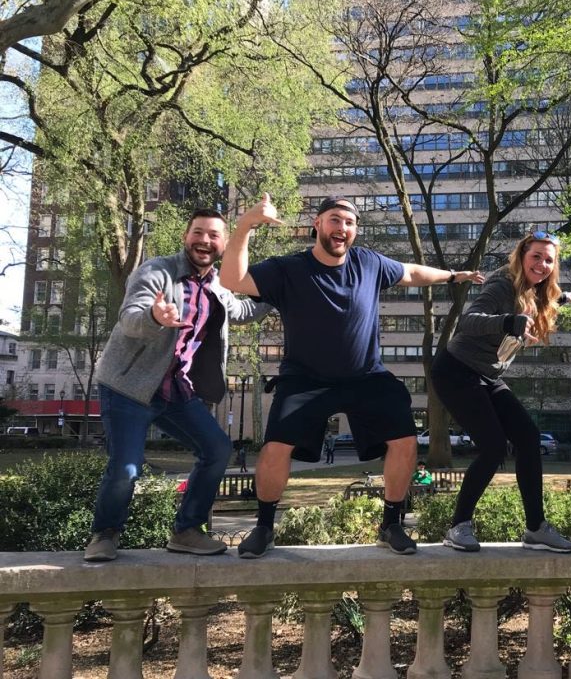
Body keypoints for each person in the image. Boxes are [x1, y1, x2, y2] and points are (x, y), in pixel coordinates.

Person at [220, 194, 483, 557]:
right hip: (305, 379)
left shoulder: (369, 263)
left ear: (355, 230)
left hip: (365, 377)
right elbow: (232, 279)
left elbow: (410, 272)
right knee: (275, 447)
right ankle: (264, 527)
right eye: (334, 219)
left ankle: (391, 523)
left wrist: (452, 275)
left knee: (405, 440)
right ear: (317, 224)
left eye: (349, 222)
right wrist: (246, 224)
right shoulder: (288, 269)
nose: (342, 227)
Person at [83, 207, 270, 562]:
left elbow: (242, 312)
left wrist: (278, 293)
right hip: (129, 387)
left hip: (174, 389)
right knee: (126, 467)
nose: (204, 241)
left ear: (223, 244)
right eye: (198, 232)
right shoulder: (157, 271)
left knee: (217, 449)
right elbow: (130, 318)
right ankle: (104, 534)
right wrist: (155, 316)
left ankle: (187, 530)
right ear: (186, 237)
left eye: (213, 235)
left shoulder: (218, 285)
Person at [431, 232, 571, 553]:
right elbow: (469, 320)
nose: (542, 264)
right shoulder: (501, 285)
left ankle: (536, 528)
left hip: (488, 375)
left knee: (528, 437)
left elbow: (546, 302)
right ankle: (458, 526)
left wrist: (564, 298)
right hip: (456, 370)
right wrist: (508, 322)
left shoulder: (538, 291)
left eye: (548, 260)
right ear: (521, 256)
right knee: (493, 447)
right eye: (536, 256)